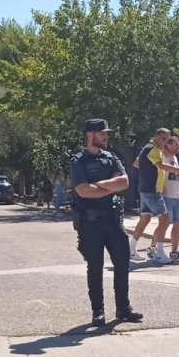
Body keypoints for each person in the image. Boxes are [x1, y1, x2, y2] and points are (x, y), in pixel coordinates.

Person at [69, 118, 144, 326]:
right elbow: (83, 190)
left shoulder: (111, 158)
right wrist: (110, 186)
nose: (106, 136)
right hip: (90, 223)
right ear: (90, 135)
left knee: (122, 264)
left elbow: (125, 182)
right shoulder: (78, 161)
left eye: (106, 133)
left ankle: (123, 308)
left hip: (113, 220)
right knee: (95, 267)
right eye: (102, 133)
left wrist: (98, 185)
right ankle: (98, 311)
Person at [128, 128, 170, 262]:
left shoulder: (148, 148)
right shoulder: (152, 148)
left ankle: (131, 249)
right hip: (151, 190)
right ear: (156, 136)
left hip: (146, 189)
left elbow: (136, 163)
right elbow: (162, 166)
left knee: (145, 220)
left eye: (167, 140)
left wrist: (147, 171)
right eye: (164, 139)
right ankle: (159, 252)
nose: (165, 142)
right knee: (164, 219)